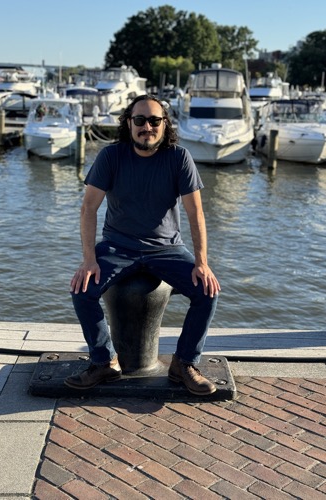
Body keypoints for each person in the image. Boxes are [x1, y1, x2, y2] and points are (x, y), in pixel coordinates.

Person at [65, 94, 221, 396]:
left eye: (154, 120)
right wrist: (88, 260)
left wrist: (201, 262)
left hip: (167, 248)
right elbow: (88, 208)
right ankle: (104, 362)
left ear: (165, 125)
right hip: (117, 247)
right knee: (82, 289)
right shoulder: (111, 157)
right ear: (129, 123)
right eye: (140, 120)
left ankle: (184, 363)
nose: (146, 126)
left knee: (207, 291)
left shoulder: (179, 158)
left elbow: (195, 213)